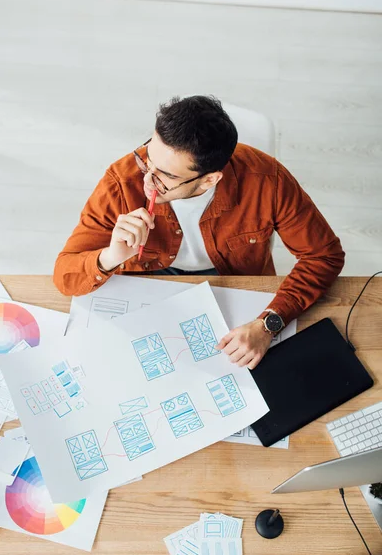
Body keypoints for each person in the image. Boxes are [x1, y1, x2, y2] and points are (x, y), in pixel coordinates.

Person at [54, 95, 345, 370]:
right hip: (147, 284)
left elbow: (323, 256)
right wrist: (109, 257)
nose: (147, 181)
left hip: (233, 284)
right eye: (148, 158)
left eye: (166, 176)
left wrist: (268, 323)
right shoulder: (121, 181)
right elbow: (64, 278)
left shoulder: (268, 181)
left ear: (209, 180)